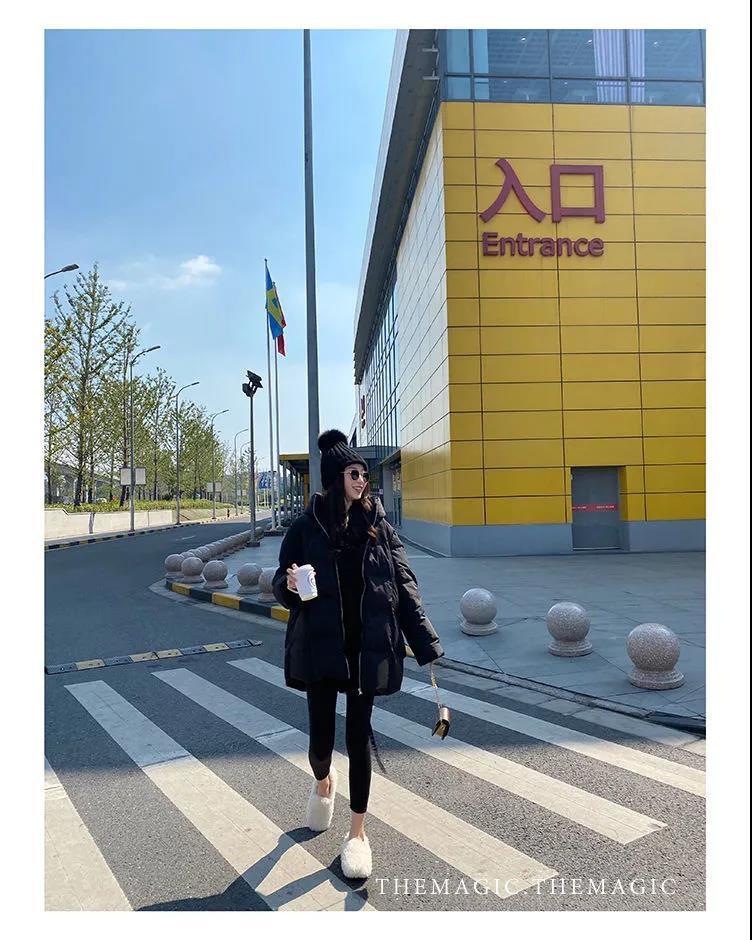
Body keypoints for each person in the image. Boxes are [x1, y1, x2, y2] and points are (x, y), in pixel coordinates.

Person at [272, 429, 444, 880]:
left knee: (358, 738)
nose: (362, 481)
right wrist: (288, 586)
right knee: (320, 745)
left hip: (366, 649)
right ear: (335, 478)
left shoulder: (378, 526)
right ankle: (323, 781)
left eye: (364, 474)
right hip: (320, 647)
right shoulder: (305, 527)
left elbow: (404, 585)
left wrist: (425, 643)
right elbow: (280, 581)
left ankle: (357, 834)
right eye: (354, 473)